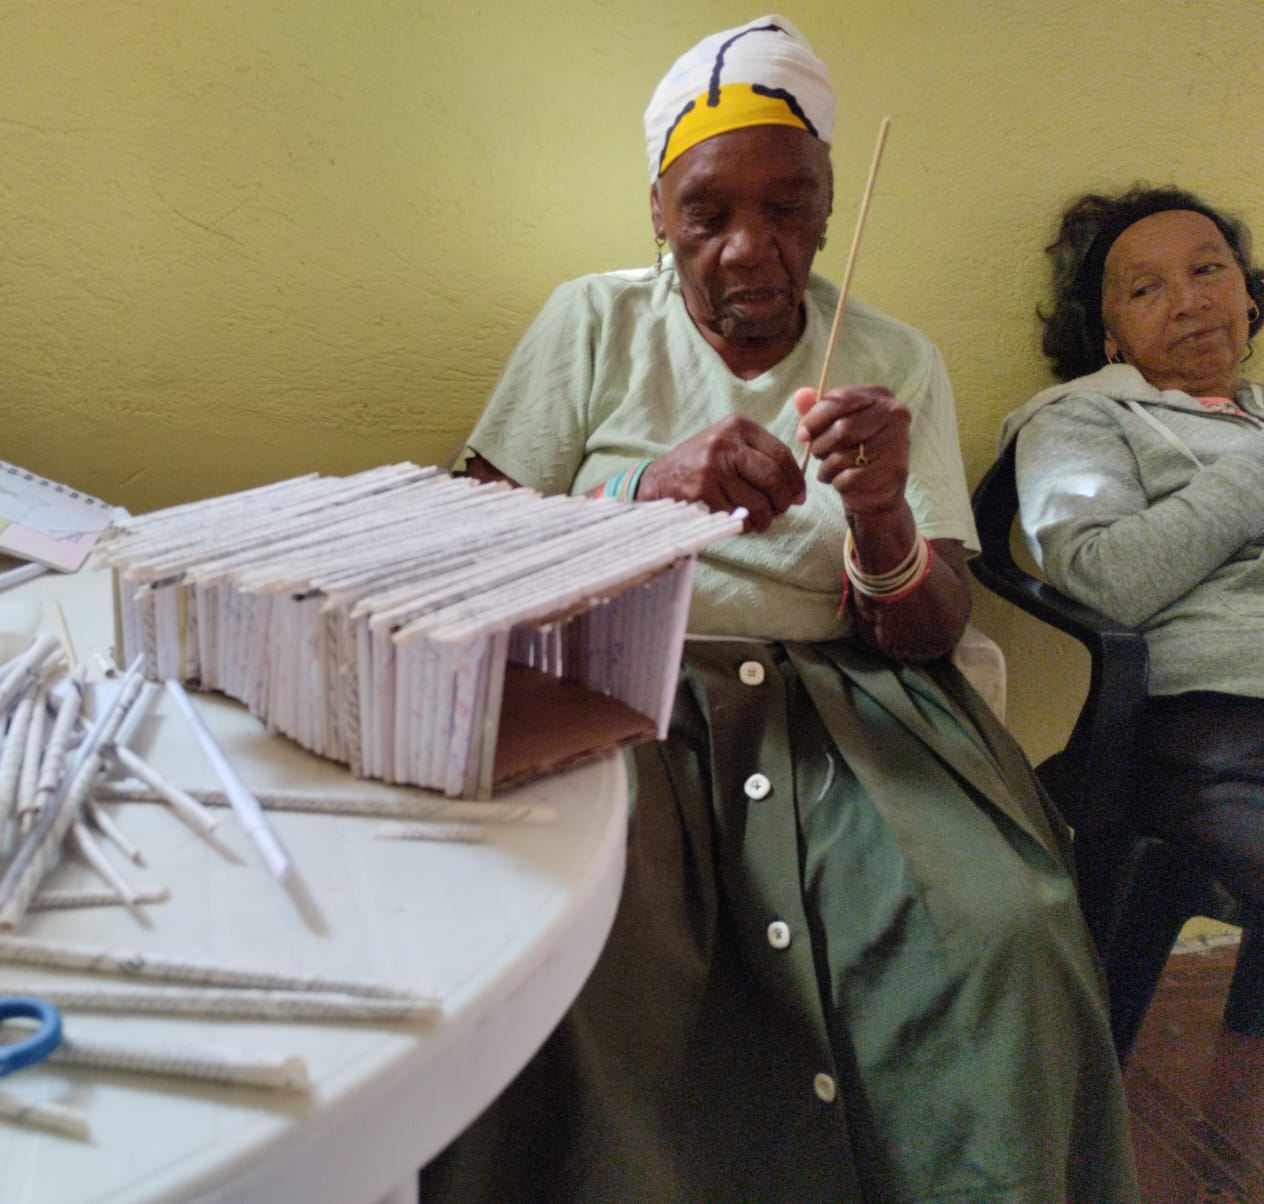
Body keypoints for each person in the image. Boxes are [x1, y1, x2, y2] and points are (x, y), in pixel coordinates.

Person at [420, 16, 1137, 1204]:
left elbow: (928, 625)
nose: (750, 248)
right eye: (707, 213)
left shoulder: (893, 360)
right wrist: (641, 496)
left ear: (828, 206)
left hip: (849, 712)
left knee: (1003, 930)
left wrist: (883, 516)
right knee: (575, 957)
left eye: (789, 207)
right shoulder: (591, 324)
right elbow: (462, 548)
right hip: (622, 698)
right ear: (657, 211)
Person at [1001, 184, 1264, 916]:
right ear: (1109, 337)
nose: (1189, 301)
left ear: (1249, 296)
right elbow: (1103, 577)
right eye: (1146, 289)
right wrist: (1250, 480)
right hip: (1221, 717)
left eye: (1208, 270)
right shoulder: (1081, 418)